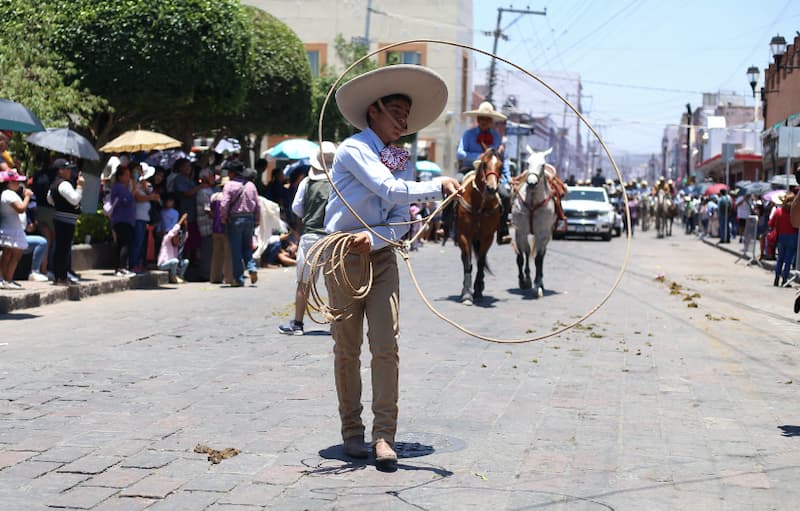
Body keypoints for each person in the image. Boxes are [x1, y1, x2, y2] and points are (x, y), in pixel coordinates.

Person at [323, 64, 461, 471]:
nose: (404, 119)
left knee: (386, 346)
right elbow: (386, 189)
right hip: (341, 255)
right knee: (347, 348)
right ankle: (352, 431)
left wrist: (377, 239)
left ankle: (383, 435)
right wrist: (441, 184)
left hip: (380, 258)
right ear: (375, 111)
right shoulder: (353, 149)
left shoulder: (399, 158)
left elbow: (402, 215)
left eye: (407, 112)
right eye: (397, 111)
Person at [279, 141, 336, 336]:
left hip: (311, 235)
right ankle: (338, 323)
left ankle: (297, 323)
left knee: (304, 282)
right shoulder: (339, 182)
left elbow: (297, 208)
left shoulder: (307, 182)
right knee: (334, 282)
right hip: (333, 237)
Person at [457, 101, 511, 244]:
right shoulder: (468, 134)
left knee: (505, 196)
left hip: (491, 173)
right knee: (453, 189)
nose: (484, 122)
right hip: (469, 169)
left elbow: (501, 159)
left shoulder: (497, 137)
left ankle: (502, 230)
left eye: (487, 119)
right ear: (477, 119)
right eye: (481, 118)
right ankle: (446, 225)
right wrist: (479, 157)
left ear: (491, 121)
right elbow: (460, 153)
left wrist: (507, 178)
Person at [219, 160, 260, 287]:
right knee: (247, 247)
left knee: (236, 250)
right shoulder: (251, 185)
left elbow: (224, 203)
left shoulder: (229, 185)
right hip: (249, 218)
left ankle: (238, 279)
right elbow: (257, 205)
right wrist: (257, 219)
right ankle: (252, 268)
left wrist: (223, 217)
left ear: (232, 173)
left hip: (235, 219)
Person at [47, 159, 83, 286]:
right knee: (64, 249)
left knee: (60, 249)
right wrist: (79, 186)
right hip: (66, 220)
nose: (69, 172)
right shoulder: (64, 184)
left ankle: (59, 277)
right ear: (60, 170)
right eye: (67, 169)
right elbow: (75, 200)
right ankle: (62, 277)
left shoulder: (53, 184)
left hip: (59, 218)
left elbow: (50, 200)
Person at [0, 169, 33, 289]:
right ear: (8, 183)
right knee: (14, 254)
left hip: (12, 228)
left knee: (8, 253)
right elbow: (21, 208)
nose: (18, 184)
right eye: (14, 182)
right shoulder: (8, 194)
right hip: (11, 229)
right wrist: (28, 197)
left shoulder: (8, 193)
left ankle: (6, 279)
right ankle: (7, 279)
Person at [109, 166, 136, 276]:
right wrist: (132, 192)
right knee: (124, 243)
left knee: (120, 244)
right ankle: (122, 267)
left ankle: (119, 268)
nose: (128, 177)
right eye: (126, 175)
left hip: (124, 219)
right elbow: (126, 201)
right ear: (120, 176)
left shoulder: (122, 187)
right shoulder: (119, 187)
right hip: (122, 219)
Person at [769, 192, 797, 287]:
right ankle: (784, 280)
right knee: (788, 260)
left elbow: (770, 224)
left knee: (780, 259)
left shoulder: (778, 211)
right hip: (792, 236)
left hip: (781, 237)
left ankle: (776, 279)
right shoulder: (794, 212)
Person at [157, 212, 190, 284]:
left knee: (186, 261)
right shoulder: (167, 240)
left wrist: (185, 225)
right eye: (177, 238)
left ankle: (180, 276)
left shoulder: (177, 245)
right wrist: (182, 219)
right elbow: (174, 230)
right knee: (175, 261)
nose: (178, 241)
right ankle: (173, 277)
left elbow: (185, 236)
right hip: (163, 264)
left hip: (173, 265)